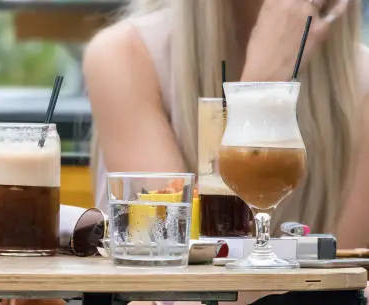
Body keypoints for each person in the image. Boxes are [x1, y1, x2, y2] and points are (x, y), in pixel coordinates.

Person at [83, 0, 369, 304]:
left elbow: (334, 290)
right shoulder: (123, 55)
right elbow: (173, 285)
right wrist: (264, 83)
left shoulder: (359, 85)